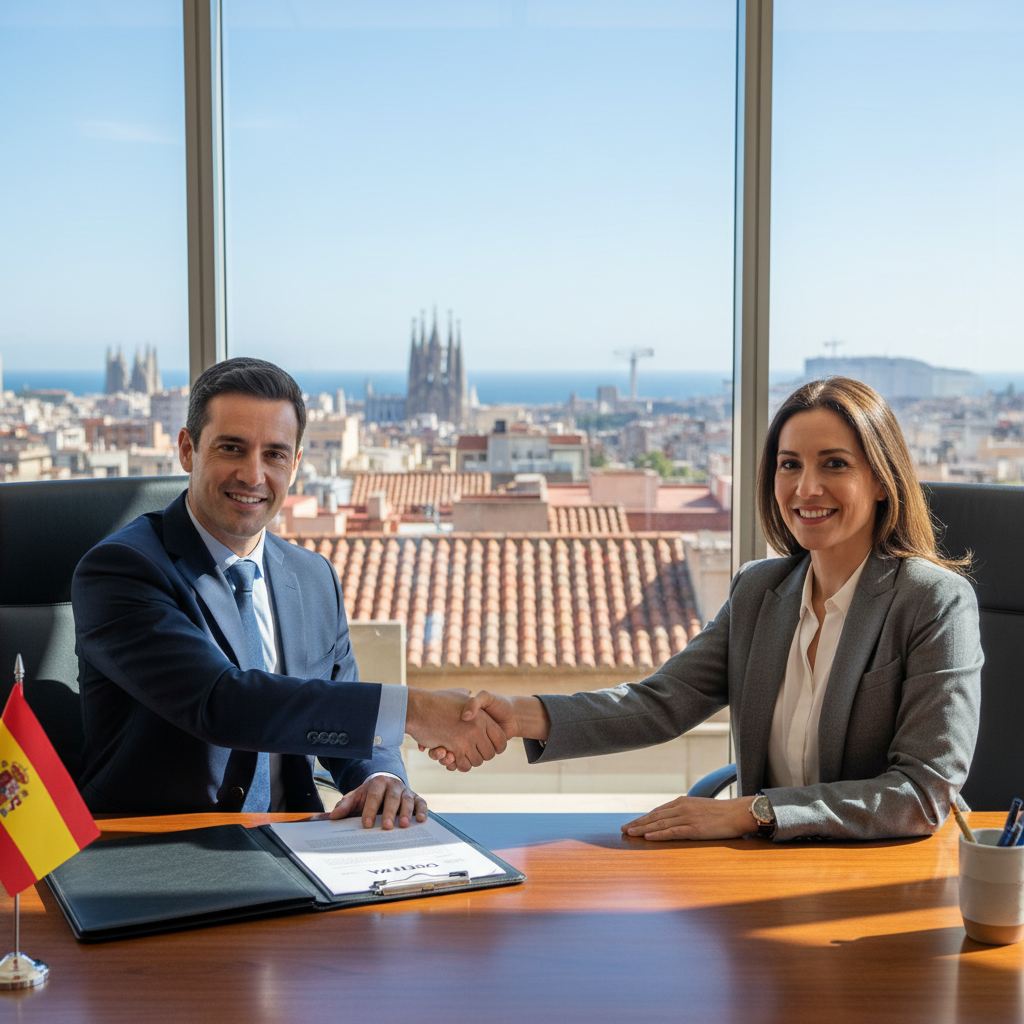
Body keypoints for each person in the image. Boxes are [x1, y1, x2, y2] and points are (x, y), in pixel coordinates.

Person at [433, 377, 983, 842]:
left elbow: (921, 791)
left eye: (834, 464)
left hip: (878, 878)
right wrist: (517, 714)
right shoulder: (758, 591)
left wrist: (752, 811)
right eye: (789, 465)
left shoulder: (933, 601)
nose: (806, 487)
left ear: (883, 480)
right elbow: (660, 703)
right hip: (762, 871)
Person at [73, 357, 505, 825]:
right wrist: (415, 710)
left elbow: (347, 716)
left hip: (301, 846)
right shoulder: (121, 570)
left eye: (274, 454)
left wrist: (380, 780)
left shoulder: (313, 577)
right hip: (157, 855)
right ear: (186, 449)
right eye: (232, 449)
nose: (253, 476)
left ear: (296, 464)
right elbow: (223, 704)